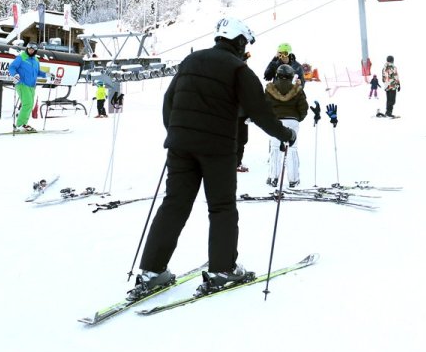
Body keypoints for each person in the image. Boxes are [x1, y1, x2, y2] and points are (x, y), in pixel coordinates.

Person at [129, 17, 296, 299]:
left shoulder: (190, 62)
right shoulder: (238, 69)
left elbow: (169, 102)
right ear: (239, 41)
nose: (246, 53)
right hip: (217, 149)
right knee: (221, 207)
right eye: (246, 47)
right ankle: (223, 269)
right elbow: (260, 112)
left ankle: (152, 271)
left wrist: (176, 133)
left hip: (180, 147)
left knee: (174, 205)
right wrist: (285, 134)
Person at [264, 64, 309, 188]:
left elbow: (264, 106)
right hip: (292, 121)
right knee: (292, 149)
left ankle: (273, 177)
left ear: (277, 75)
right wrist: (297, 119)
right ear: (290, 76)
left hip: (275, 121)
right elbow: (304, 108)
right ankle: (293, 179)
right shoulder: (297, 89)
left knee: (274, 149)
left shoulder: (269, 89)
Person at [8, 43, 50, 132]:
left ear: (35, 51)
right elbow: (12, 67)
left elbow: (38, 72)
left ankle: (23, 124)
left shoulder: (36, 60)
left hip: (31, 86)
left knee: (30, 105)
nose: (31, 50)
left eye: (33, 49)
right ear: (27, 49)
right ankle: (20, 125)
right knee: (27, 103)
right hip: (22, 84)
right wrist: (15, 75)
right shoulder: (21, 57)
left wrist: (46, 74)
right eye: (29, 49)